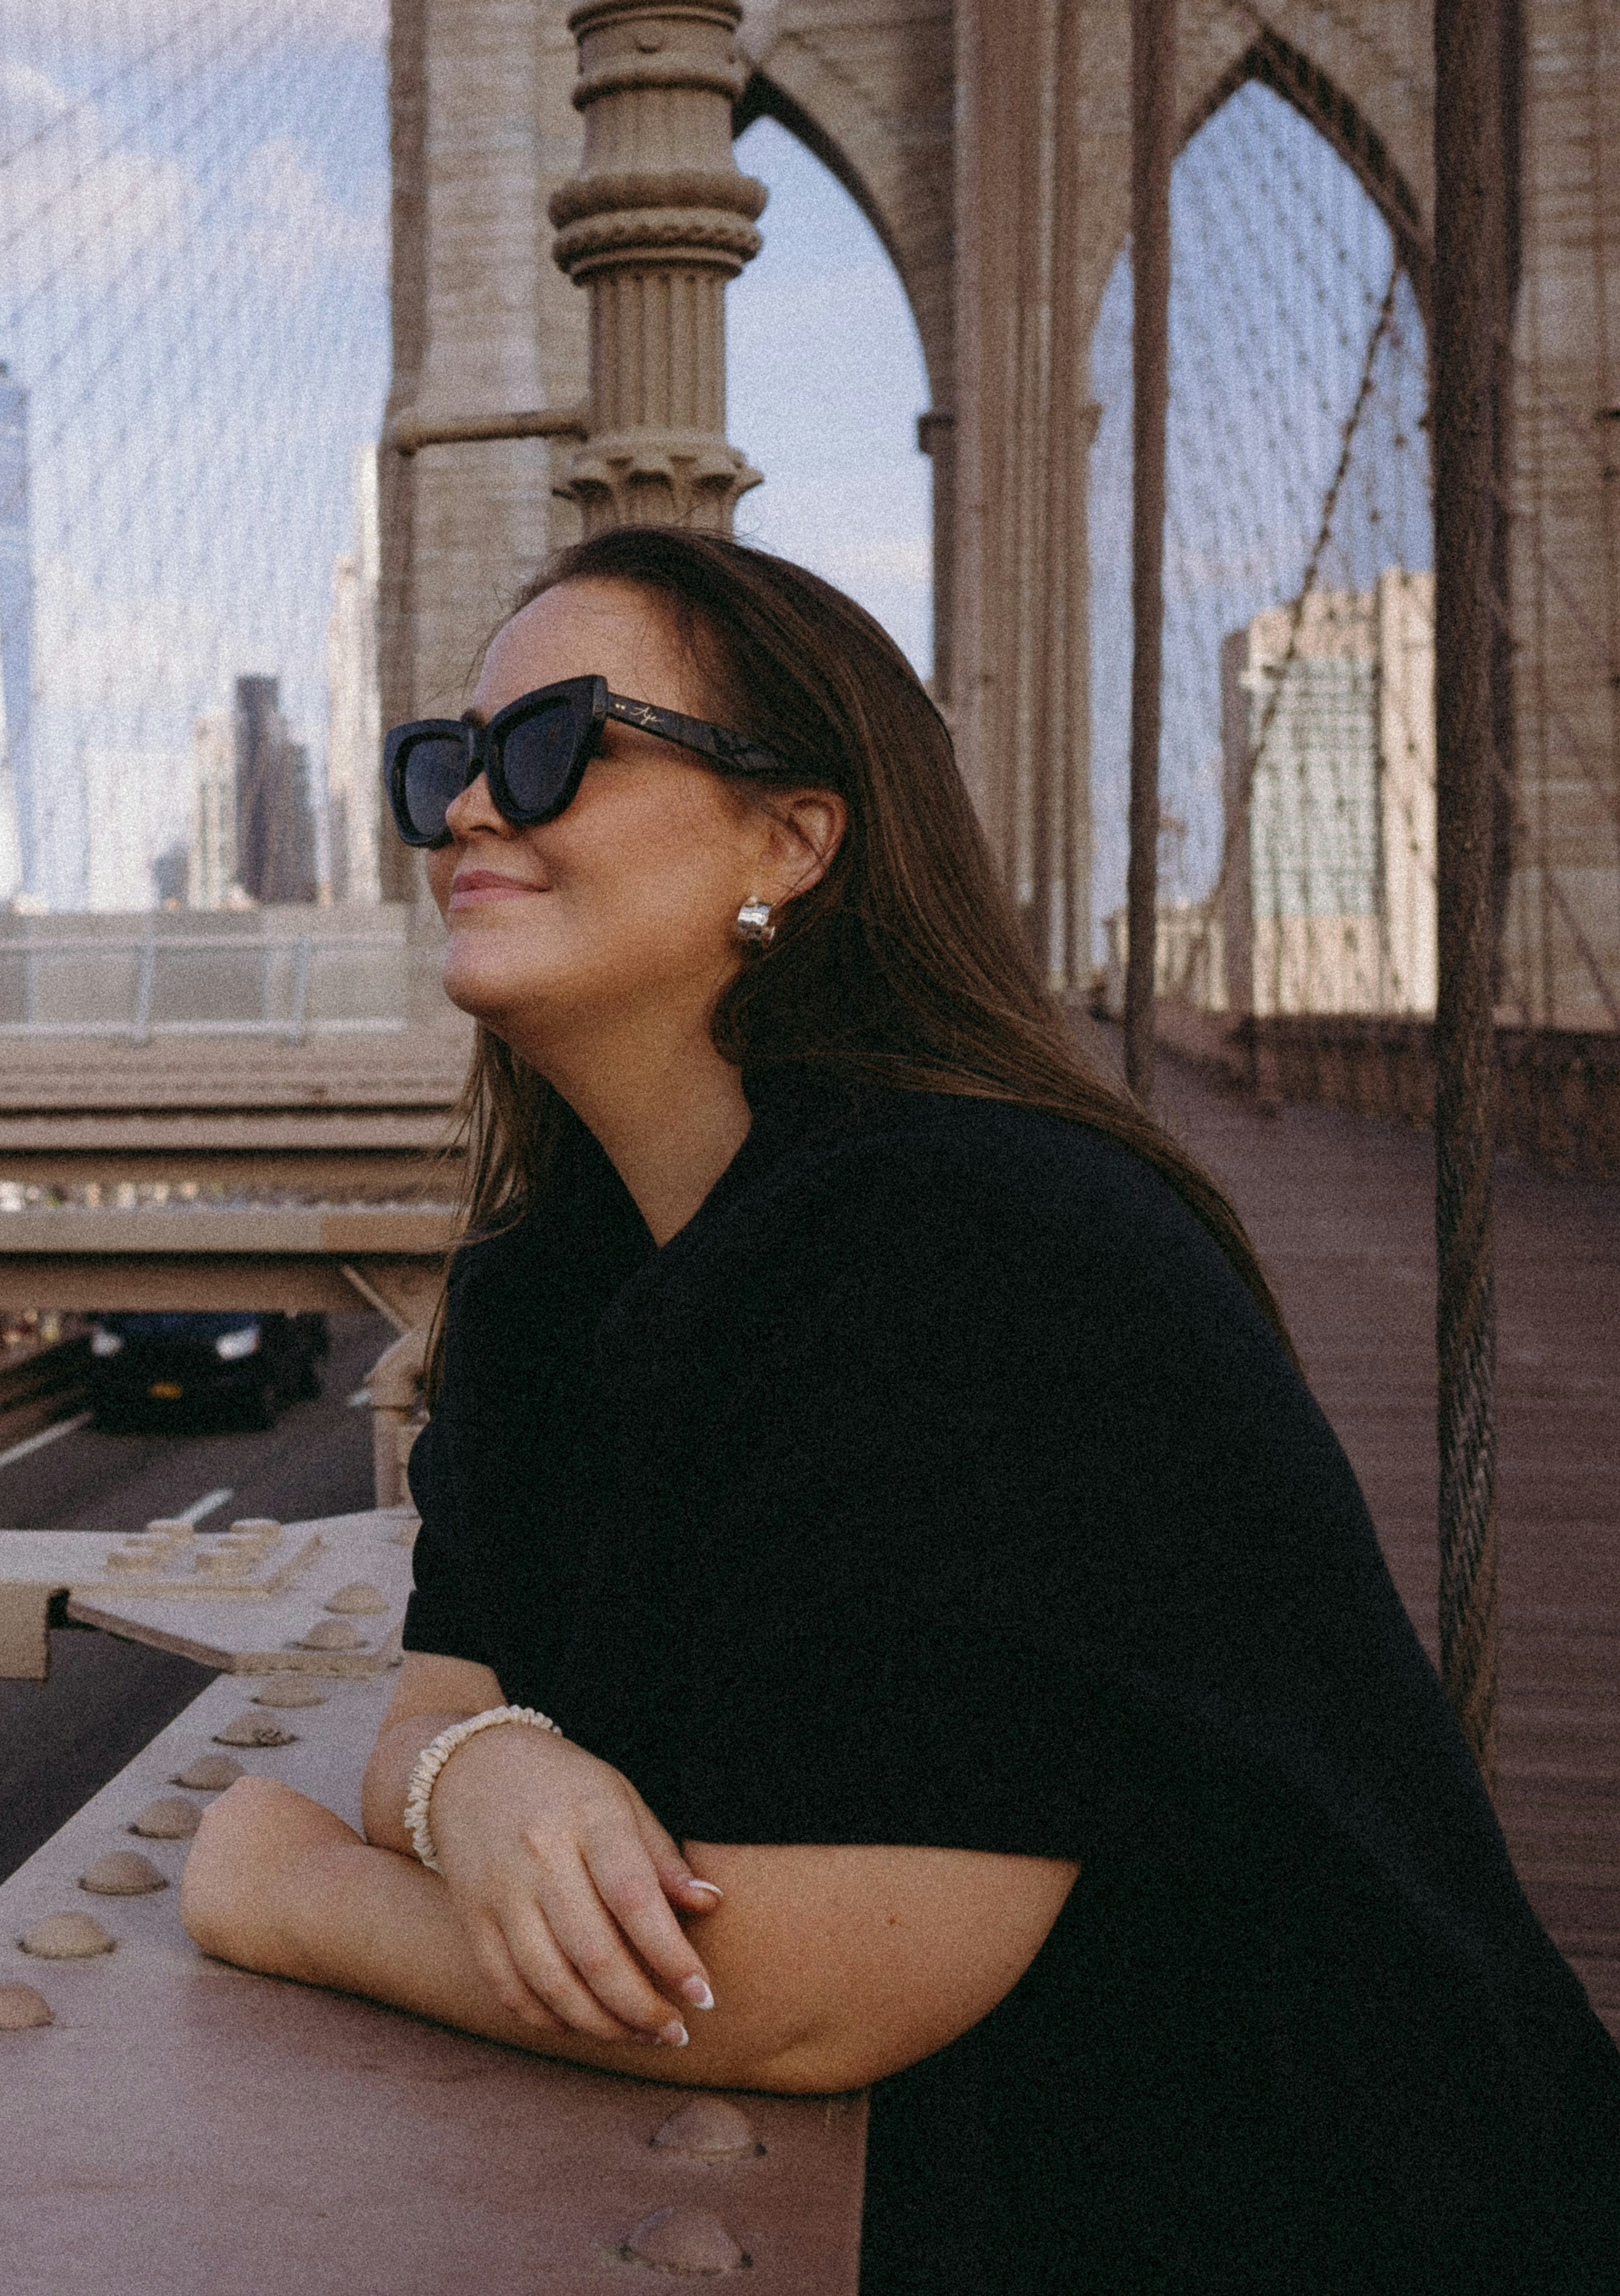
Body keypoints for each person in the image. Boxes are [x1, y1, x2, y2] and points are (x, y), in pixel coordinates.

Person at [176, 527, 1620, 2292]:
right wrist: (488, 1780)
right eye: (443, 764)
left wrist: (290, 1887)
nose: (473, 809)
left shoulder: (972, 1244)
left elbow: (799, 1996)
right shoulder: (551, 1281)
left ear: (793, 837)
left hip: (1335, 2219)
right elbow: (438, 1703)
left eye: (551, 744)